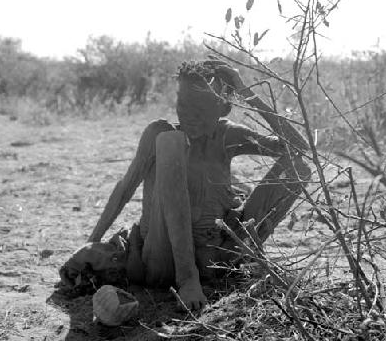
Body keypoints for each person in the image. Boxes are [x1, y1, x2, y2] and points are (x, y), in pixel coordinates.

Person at [60, 60, 310, 310]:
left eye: (200, 107)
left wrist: (245, 91)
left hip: (216, 257)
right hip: (161, 257)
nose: (188, 115)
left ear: (223, 108)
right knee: (169, 141)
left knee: (297, 168)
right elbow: (125, 189)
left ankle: (215, 269)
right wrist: (92, 241)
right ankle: (187, 278)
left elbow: (299, 147)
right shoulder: (158, 134)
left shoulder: (226, 136)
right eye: (183, 104)